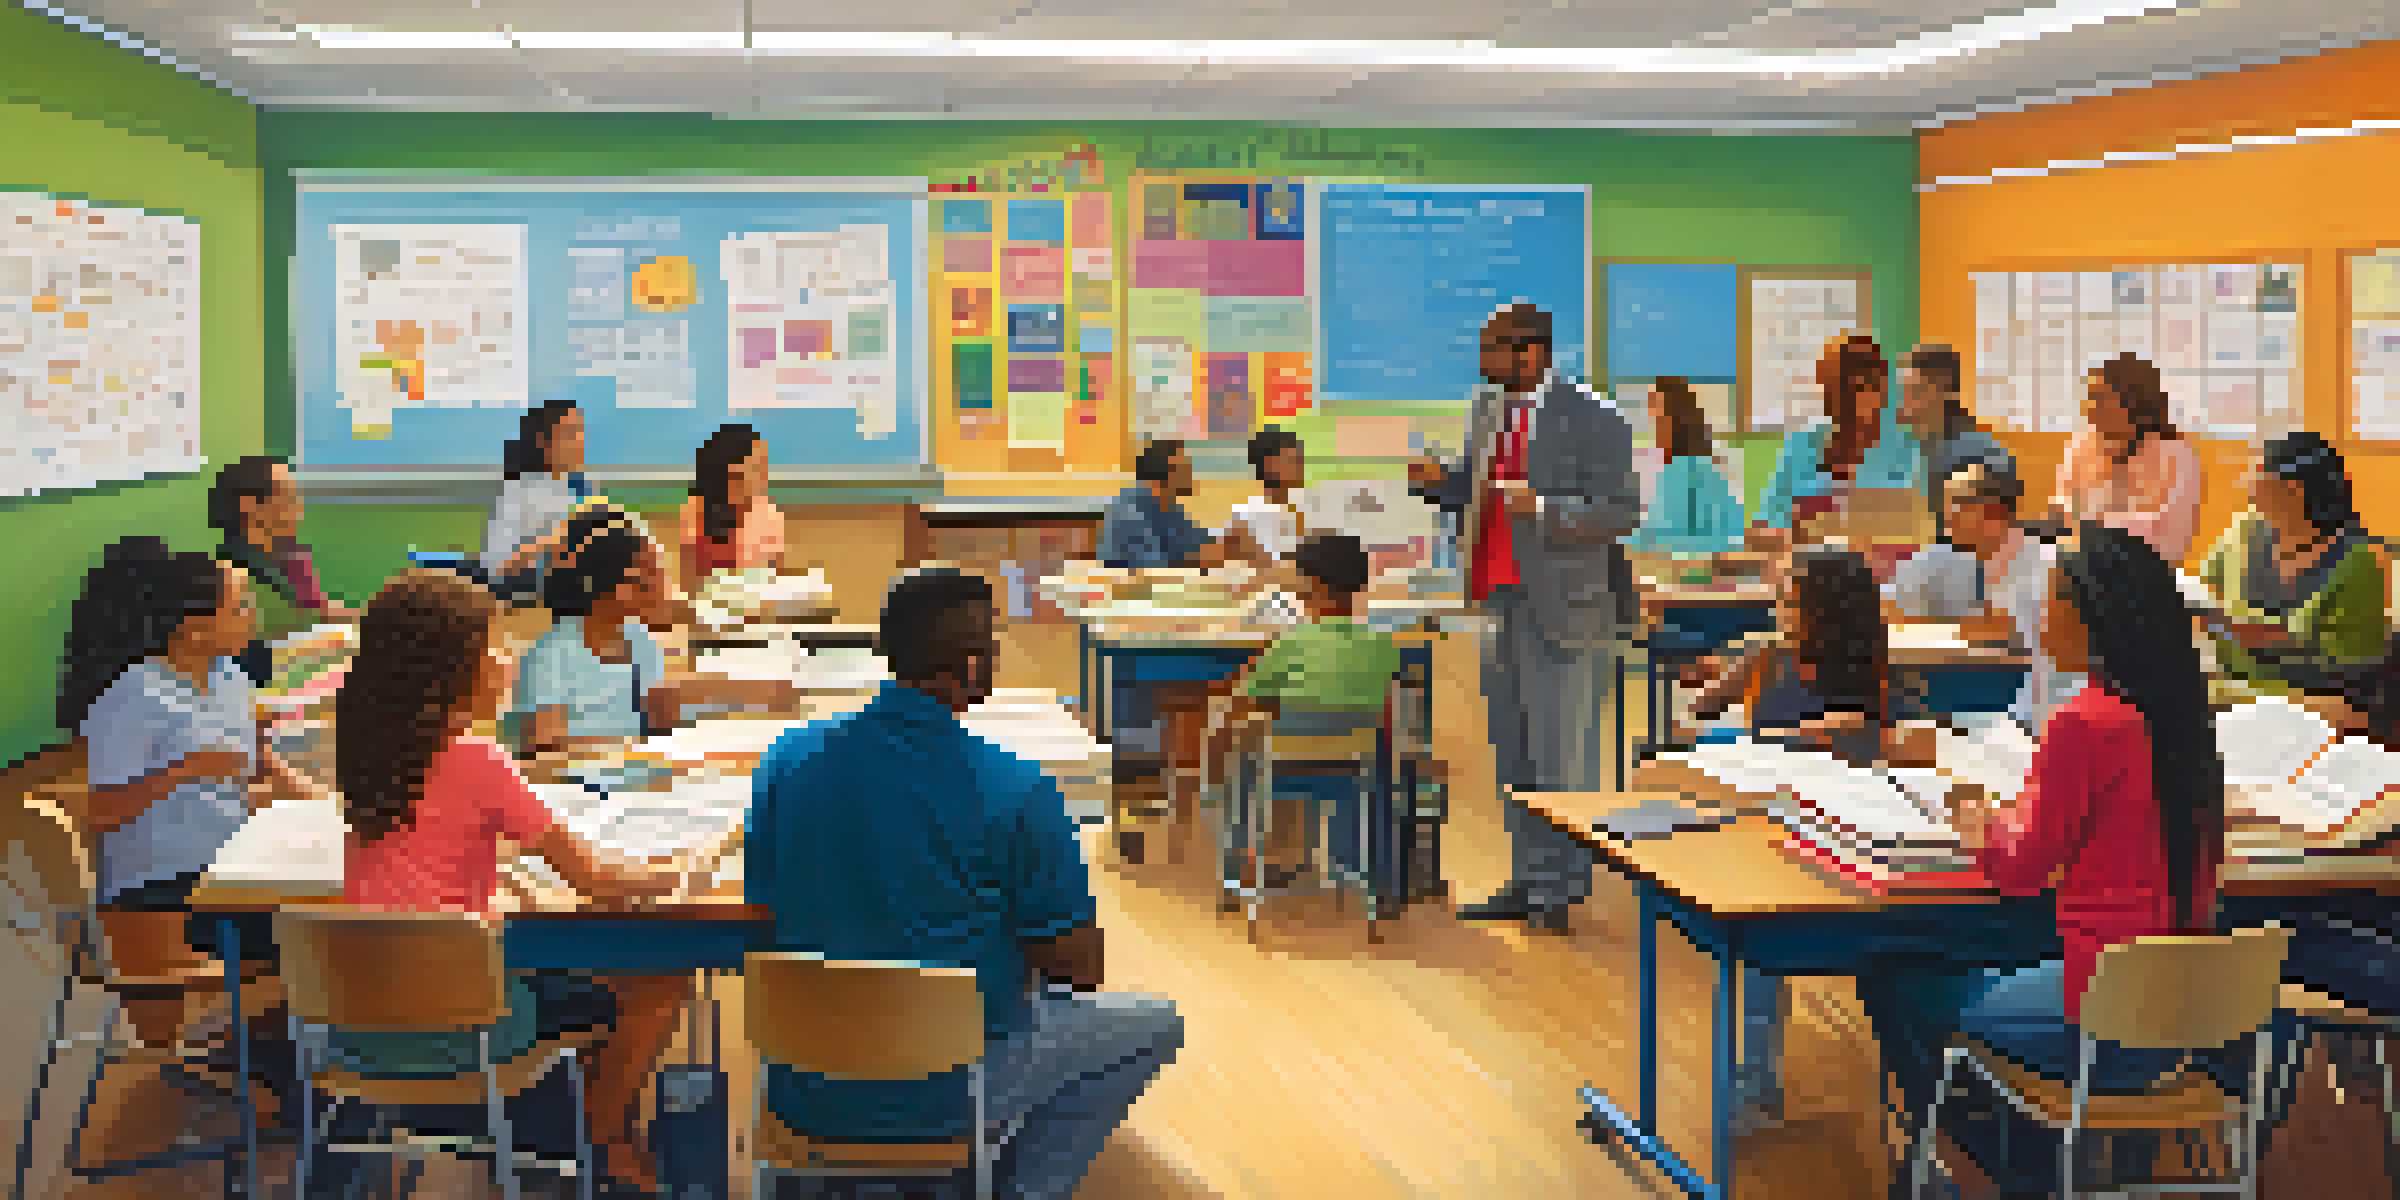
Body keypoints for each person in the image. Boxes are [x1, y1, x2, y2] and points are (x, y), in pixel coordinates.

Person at [1858, 524, 2274, 1199]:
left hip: (2102, 1015)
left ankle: (2029, 1166)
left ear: (2090, 615)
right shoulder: (2182, 717)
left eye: (2049, 599)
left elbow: (2020, 870)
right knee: (1987, 961)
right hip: (2188, 1011)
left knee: (1900, 980)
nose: (2038, 613)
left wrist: (1975, 823)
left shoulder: (2083, 722)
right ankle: (2054, 1158)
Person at [745, 569, 1184, 1200]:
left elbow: (760, 906)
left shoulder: (785, 761)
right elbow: (1080, 969)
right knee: (1153, 1023)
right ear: (973, 665)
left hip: (805, 1084)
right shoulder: (1017, 786)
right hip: (953, 1086)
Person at [331, 569, 686, 1196]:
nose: (510, 656)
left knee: (570, 970)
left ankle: (564, 1132)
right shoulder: (478, 759)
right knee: (659, 981)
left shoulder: (367, 749)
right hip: (464, 1024)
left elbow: (421, 852)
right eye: (494, 643)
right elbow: (597, 882)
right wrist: (684, 869)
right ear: (452, 670)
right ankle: (602, 1142)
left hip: (359, 1024)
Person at [1408, 302, 1643, 933]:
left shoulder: (1594, 418)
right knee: (1513, 752)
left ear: (1530, 352)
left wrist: (1543, 506)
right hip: (1499, 598)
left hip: (1565, 606)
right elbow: (1474, 489)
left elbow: (1620, 512)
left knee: (1561, 758)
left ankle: (1562, 889)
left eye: (1493, 350)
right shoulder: (1489, 412)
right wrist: (1439, 485)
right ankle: (1527, 879)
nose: (1482, 363)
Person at [59, 538, 316, 1089]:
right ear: (193, 628)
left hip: (227, 865)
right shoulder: (133, 698)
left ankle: (274, 1052)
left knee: (326, 906)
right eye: (241, 605)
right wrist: (182, 770)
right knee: (314, 932)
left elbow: (258, 760)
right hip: (163, 888)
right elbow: (101, 813)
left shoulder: (229, 677)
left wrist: (315, 798)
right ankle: (288, 1069)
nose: (255, 615)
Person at [1208, 533, 1405, 889]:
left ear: (1311, 584)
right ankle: (1354, 865)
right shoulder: (1384, 646)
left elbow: (1243, 706)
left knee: (1235, 740)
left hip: (1283, 772)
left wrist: (1218, 755)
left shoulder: (1288, 644)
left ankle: (1240, 868)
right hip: (1355, 772)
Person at [510, 507, 790, 754]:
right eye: (658, 577)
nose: (668, 592)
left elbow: (660, 711)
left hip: (632, 785)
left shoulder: (638, 640)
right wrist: (635, 751)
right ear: (624, 590)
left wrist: (752, 693)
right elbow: (545, 748)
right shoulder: (549, 658)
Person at [1886, 461, 2086, 731]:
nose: (1946, 516)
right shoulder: (1988, 559)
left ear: (1994, 511)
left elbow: (1997, 629)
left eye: (1957, 504)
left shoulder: (2042, 564)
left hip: (2052, 715)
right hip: (2029, 707)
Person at [2197, 431, 2388, 700]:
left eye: (2259, 478)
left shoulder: (2357, 560)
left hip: (2318, 703)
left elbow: (2354, 666)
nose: (2248, 488)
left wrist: (2264, 637)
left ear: (2294, 491)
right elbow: (2201, 588)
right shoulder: (2245, 531)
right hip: (2229, 693)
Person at [1751, 335, 1923, 548]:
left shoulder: (1903, 452)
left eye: (1876, 386)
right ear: (1833, 393)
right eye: (1857, 387)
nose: (1870, 398)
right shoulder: (1803, 446)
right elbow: (1764, 523)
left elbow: (1914, 529)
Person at [209, 455, 360, 686]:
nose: (299, 506)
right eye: (288, 497)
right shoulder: (231, 576)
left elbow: (320, 611)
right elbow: (252, 664)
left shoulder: (292, 554)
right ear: (250, 506)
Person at [2045, 353, 2204, 565]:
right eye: (2091, 400)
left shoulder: (2177, 456)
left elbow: (2169, 538)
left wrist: (2091, 528)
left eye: (2101, 400)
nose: (2091, 412)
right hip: (2078, 566)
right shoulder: (2082, 446)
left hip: (2143, 574)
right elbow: (2060, 511)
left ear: (2134, 404)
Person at [1894, 344, 2012, 544]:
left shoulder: (1983, 454)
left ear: (1942, 392)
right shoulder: (1905, 450)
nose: (1902, 401)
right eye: (1902, 390)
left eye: (1913, 390)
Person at [482, 399, 594, 600]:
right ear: (544, 440)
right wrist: (566, 534)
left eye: (581, 432)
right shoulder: (521, 490)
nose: (580, 441)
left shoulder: (579, 486)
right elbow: (498, 566)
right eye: (570, 434)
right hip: (526, 588)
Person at [1625, 376, 1745, 555]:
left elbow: (1664, 537)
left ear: (1677, 420)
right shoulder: (1702, 465)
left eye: (1659, 419)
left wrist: (1622, 541)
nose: (1655, 430)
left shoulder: (1686, 469)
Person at [1097, 439, 1241, 570]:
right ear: (1165, 472)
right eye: (1184, 466)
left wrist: (1231, 542)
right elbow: (1151, 566)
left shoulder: (1169, 507)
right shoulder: (1129, 509)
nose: (1190, 472)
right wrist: (1201, 558)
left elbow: (1198, 544)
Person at [678, 423, 785, 594]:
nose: (764, 474)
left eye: (764, 465)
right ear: (733, 466)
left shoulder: (768, 513)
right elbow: (692, 584)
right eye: (757, 464)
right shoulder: (697, 510)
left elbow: (775, 578)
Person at [1225, 426, 1308, 565]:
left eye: (1299, 459)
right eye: (1291, 460)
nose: (1299, 466)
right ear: (1270, 465)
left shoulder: (1308, 507)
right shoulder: (1246, 516)